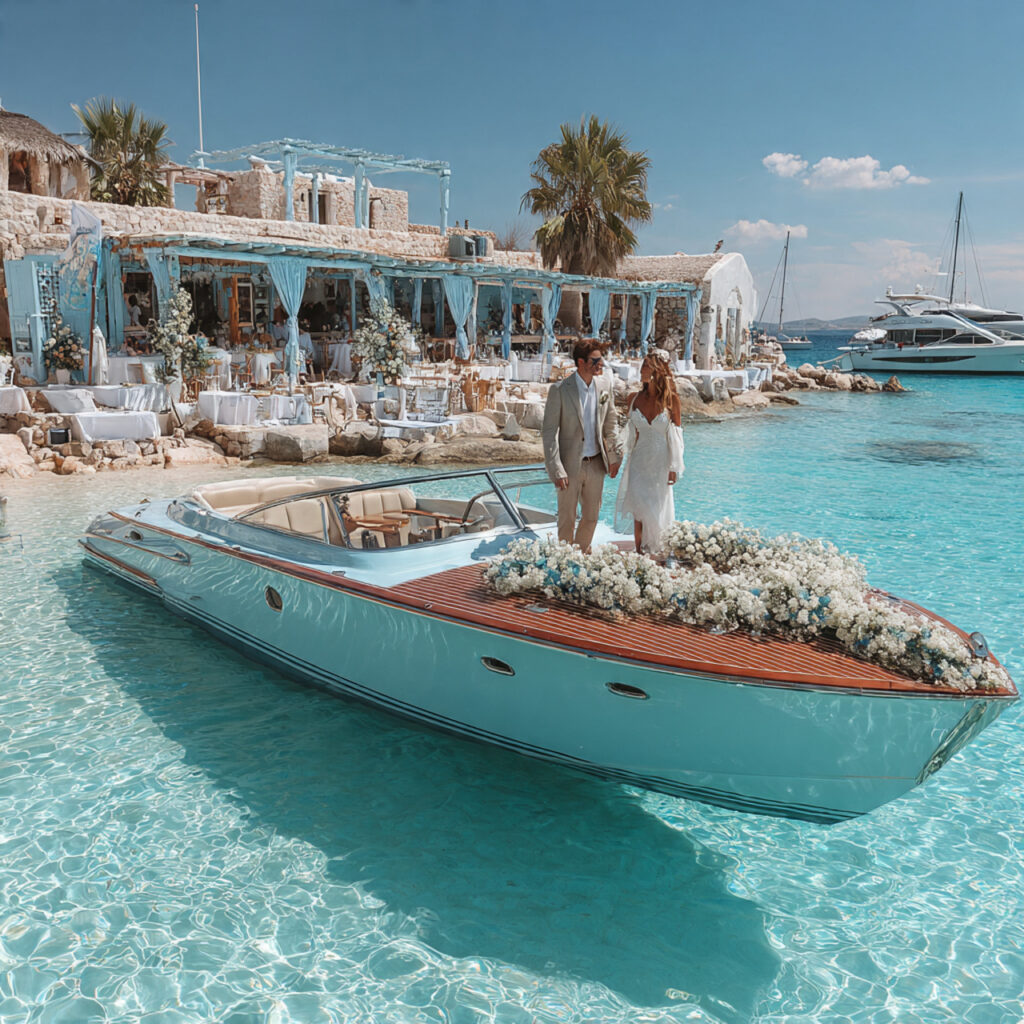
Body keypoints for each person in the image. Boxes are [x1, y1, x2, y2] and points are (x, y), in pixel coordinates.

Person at [542, 339, 622, 552]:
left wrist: (614, 457)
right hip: (569, 466)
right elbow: (549, 433)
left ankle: (577, 560)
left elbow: (611, 423)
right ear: (581, 362)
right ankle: (564, 563)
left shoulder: (605, 385)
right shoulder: (559, 390)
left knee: (592, 517)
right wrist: (556, 469)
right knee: (566, 519)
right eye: (595, 361)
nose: (601, 365)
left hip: (597, 463)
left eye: (601, 360)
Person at [614, 350, 685, 553]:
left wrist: (674, 466)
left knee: (657, 508)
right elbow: (631, 435)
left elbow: (676, 437)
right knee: (639, 509)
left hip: (661, 462)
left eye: (645, 366)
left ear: (656, 371)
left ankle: (658, 551)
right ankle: (640, 554)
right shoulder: (632, 399)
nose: (641, 369)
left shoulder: (672, 401)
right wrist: (618, 457)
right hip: (638, 461)